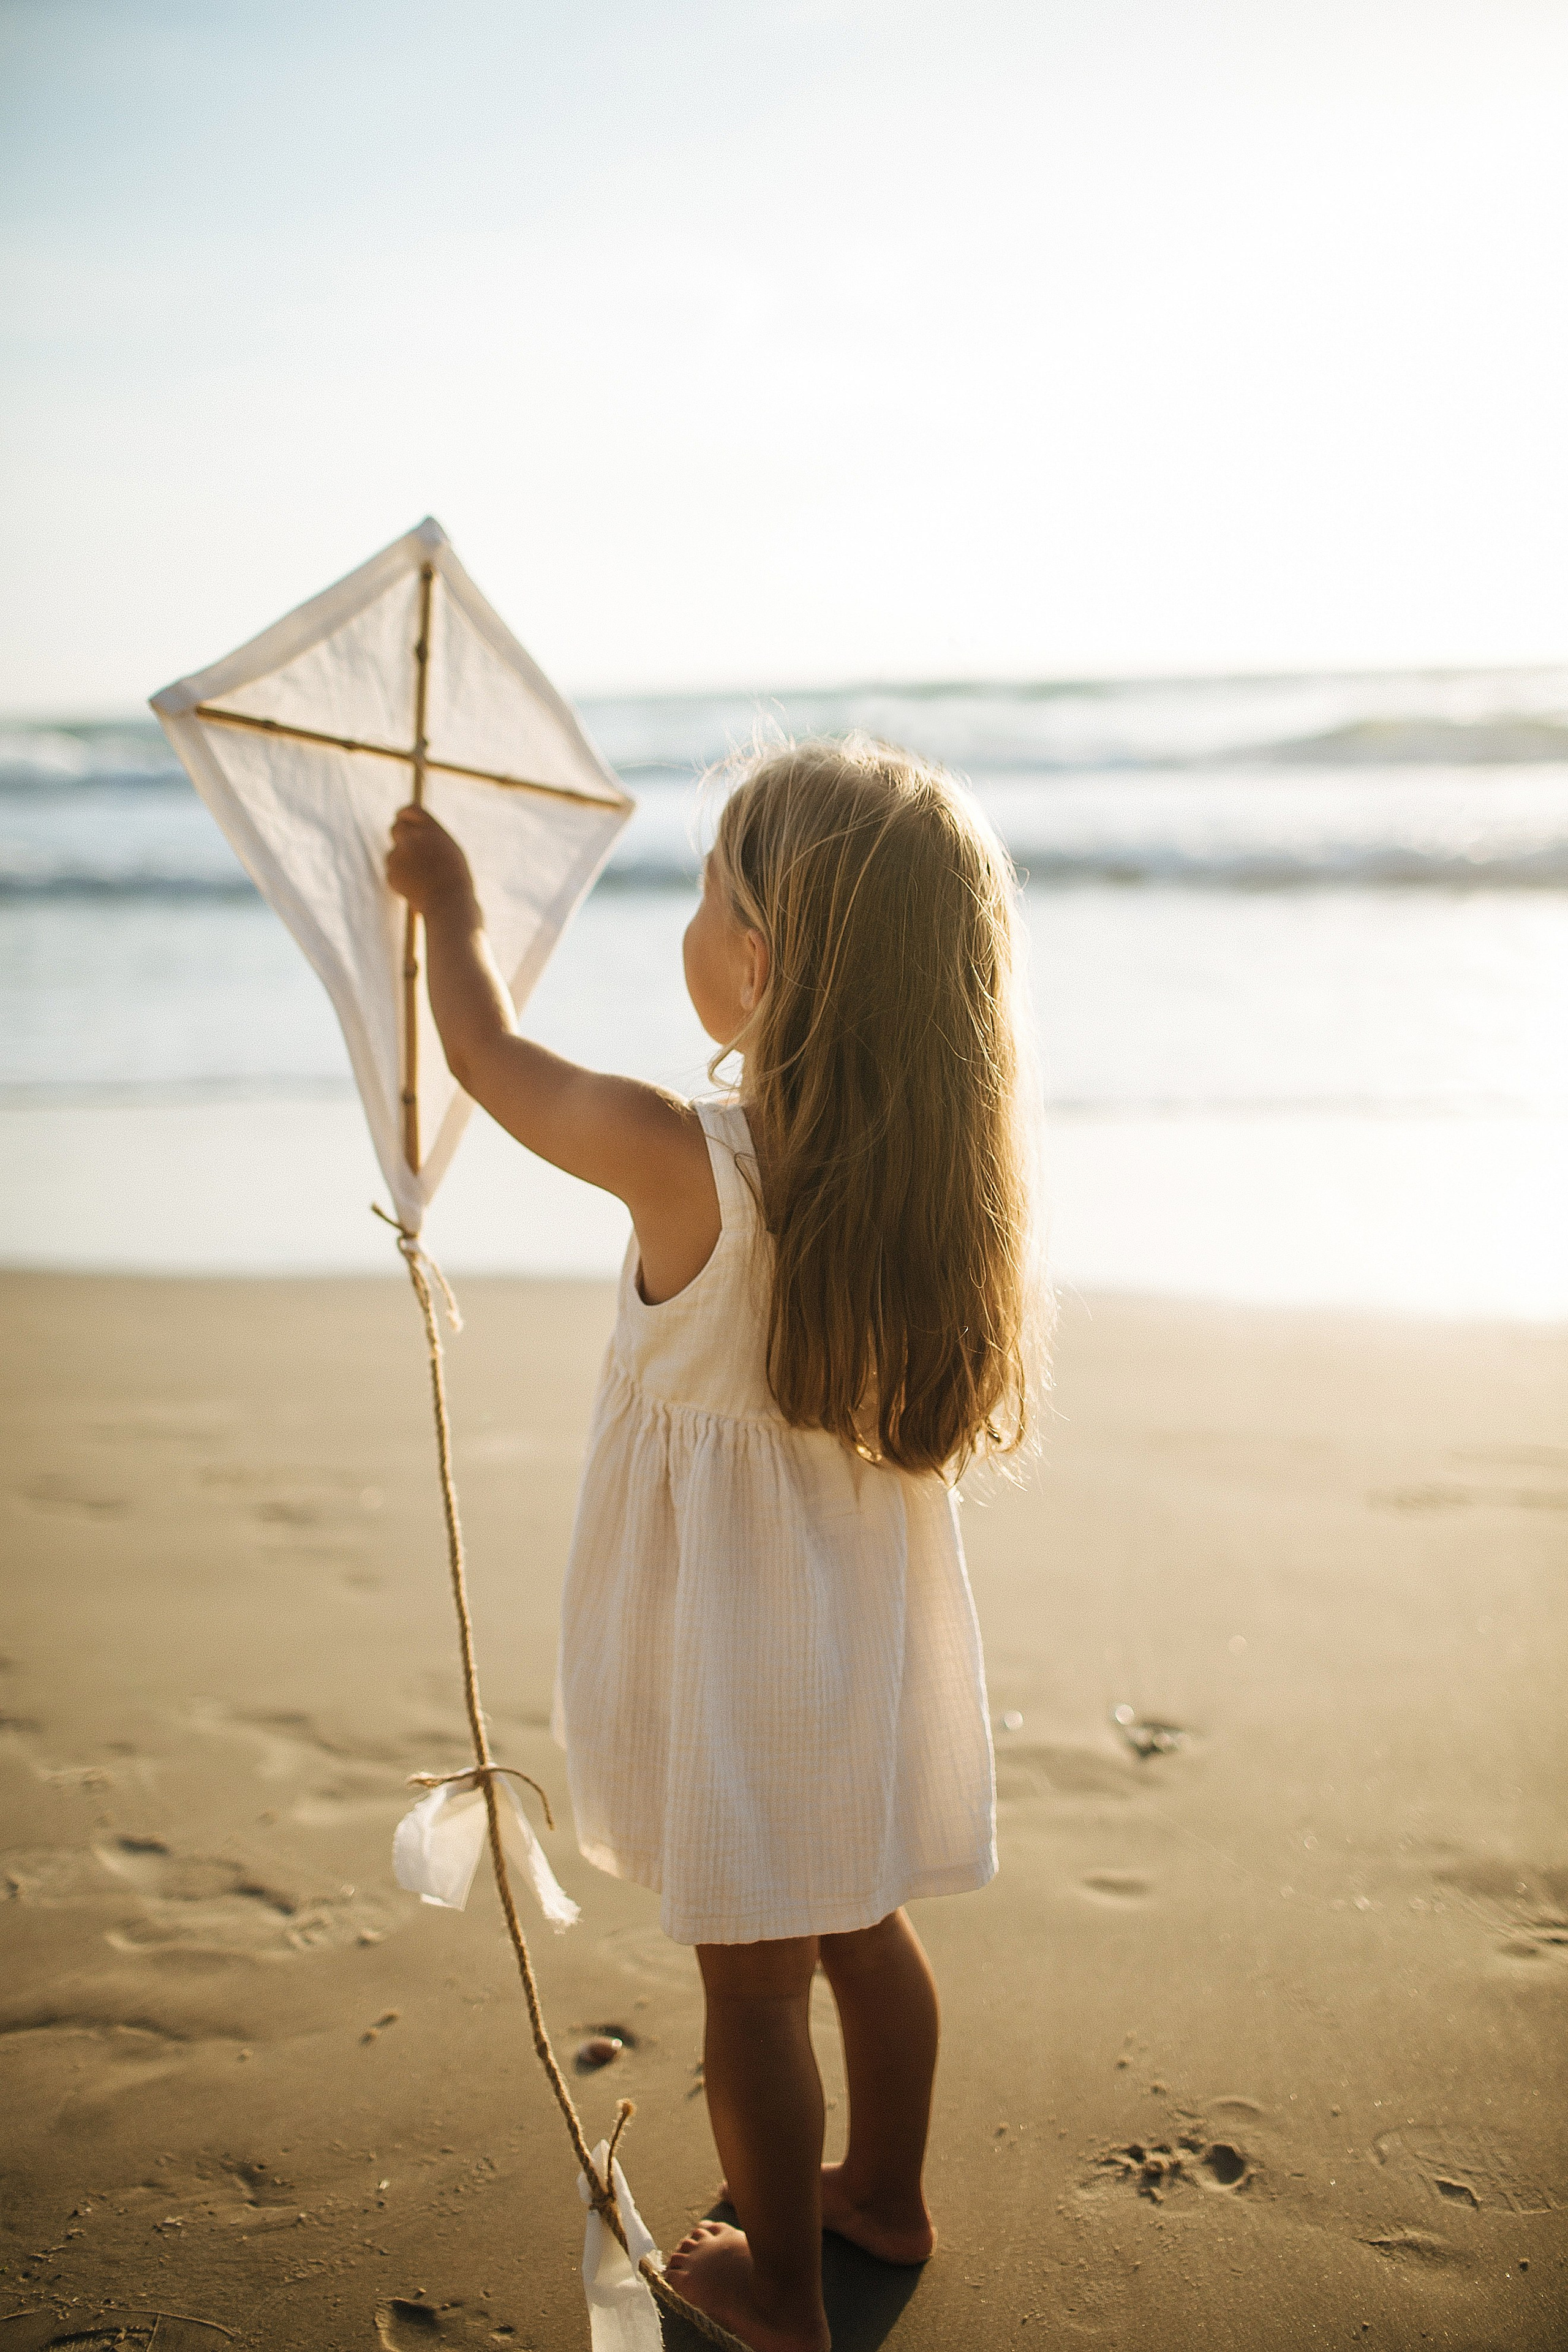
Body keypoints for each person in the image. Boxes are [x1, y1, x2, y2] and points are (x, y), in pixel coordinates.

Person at [386, 735, 1044, 2352]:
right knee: (860, 1927)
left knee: (753, 1987)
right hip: (858, 1643)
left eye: (705, 891)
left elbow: (486, 1060)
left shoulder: (690, 1164)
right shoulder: (931, 1192)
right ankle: (880, 2191)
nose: (693, 919)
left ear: (760, 961)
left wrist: (449, 907)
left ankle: (782, 2297)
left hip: (734, 1655)